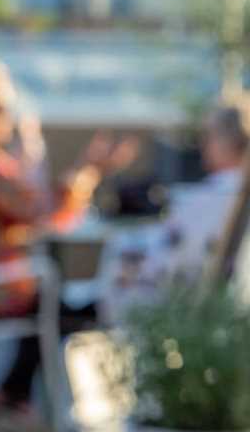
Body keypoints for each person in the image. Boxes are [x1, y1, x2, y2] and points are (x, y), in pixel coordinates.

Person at [0, 56, 137, 421]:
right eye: (2, 108)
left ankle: (11, 393)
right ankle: (26, 398)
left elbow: (34, 209)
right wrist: (81, 169)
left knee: (56, 301)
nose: (7, 117)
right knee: (66, 308)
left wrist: (79, 170)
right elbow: (41, 211)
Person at [98, 98, 250, 324]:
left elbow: (170, 256)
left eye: (208, 136)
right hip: (231, 307)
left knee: (118, 259)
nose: (202, 144)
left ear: (224, 143)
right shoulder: (230, 195)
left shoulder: (206, 199)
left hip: (183, 306)